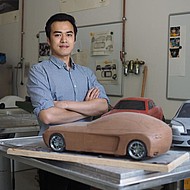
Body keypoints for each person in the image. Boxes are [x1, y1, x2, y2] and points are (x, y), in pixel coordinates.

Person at [27, 13, 109, 190]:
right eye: (57, 34)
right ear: (48, 40)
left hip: (85, 152)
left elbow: (103, 106)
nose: (64, 40)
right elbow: (48, 116)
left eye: (69, 34)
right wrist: (87, 109)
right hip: (54, 154)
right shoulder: (39, 72)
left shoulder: (86, 73)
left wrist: (64, 105)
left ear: (74, 38)